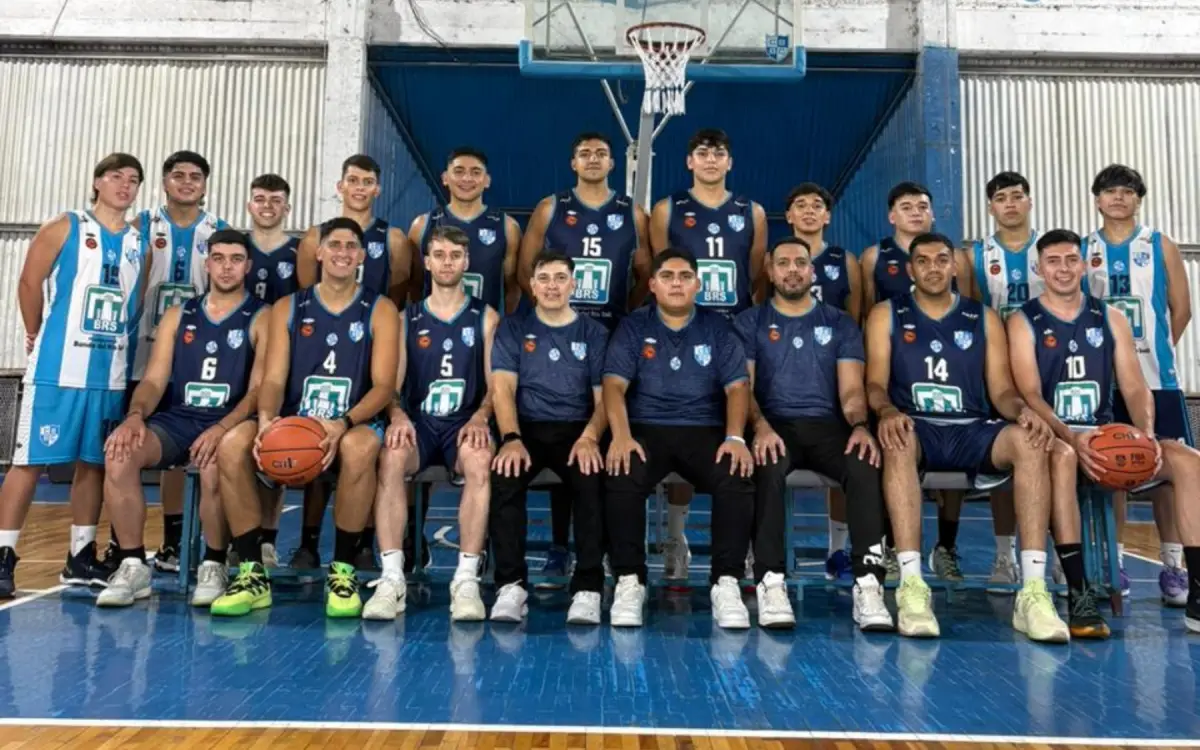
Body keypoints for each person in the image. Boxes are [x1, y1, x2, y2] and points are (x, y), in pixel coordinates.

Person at [864, 232, 1067, 642]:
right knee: (897, 440)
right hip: (916, 425)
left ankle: (1033, 591)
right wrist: (886, 411)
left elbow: (1002, 391)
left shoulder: (983, 317)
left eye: (942, 259)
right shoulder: (887, 314)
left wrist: (1024, 412)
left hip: (971, 427)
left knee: (1030, 441)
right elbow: (874, 384)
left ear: (955, 266)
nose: (933, 268)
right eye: (923, 261)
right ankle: (912, 587)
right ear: (910, 270)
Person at [210, 217, 398, 618]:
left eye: (351, 246)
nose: (343, 253)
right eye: (335, 245)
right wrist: (266, 420)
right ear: (319, 252)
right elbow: (274, 378)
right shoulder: (289, 307)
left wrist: (343, 423)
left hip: (352, 421)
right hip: (295, 420)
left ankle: (343, 572)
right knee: (231, 445)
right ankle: (251, 573)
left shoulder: (381, 309)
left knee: (360, 448)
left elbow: (384, 386)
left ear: (362, 256)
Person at [0, 153, 146, 598]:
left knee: (93, 464)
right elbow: (29, 283)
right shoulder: (66, 225)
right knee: (29, 462)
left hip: (109, 374)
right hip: (57, 369)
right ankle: (4, 553)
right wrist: (34, 332)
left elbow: (134, 306)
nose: (125, 185)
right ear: (97, 182)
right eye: (116, 176)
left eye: (133, 180)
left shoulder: (138, 242)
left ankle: (80, 556)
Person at [97, 230, 268, 608]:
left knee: (213, 462)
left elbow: (259, 391)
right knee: (119, 453)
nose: (226, 267)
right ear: (207, 264)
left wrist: (221, 429)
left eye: (236, 259)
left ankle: (214, 563)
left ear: (248, 266)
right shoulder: (179, 315)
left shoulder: (262, 316)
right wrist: (135, 416)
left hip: (231, 420)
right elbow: (154, 380)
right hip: (180, 419)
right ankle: (133, 564)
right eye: (218, 258)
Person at [736, 237, 890, 631]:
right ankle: (770, 581)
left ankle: (868, 583)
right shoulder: (750, 321)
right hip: (773, 424)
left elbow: (851, 391)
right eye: (783, 263)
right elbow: (743, 388)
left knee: (864, 461)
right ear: (770, 271)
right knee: (766, 465)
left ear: (812, 271)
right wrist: (760, 427)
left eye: (800, 263)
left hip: (827, 425)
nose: (792, 270)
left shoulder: (839, 322)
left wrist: (860, 426)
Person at [518, 132, 651, 584]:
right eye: (584, 153)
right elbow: (526, 269)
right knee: (566, 430)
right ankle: (560, 545)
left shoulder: (632, 212)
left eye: (601, 153)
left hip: (610, 337)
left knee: (606, 439)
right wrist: (553, 314)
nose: (593, 159)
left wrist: (623, 313)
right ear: (572, 162)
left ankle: (608, 546)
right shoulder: (551, 208)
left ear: (613, 162)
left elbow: (644, 273)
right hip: (558, 334)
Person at [603, 248, 756, 629]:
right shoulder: (633, 327)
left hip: (703, 427)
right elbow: (613, 386)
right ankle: (630, 580)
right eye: (667, 276)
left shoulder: (718, 327)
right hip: (646, 426)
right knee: (621, 469)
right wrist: (621, 436)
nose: (676, 283)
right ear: (652, 285)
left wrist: (735, 438)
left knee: (735, 472)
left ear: (698, 284)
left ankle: (726, 582)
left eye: (685, 276)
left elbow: (738, 387)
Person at [1007, 229, 1144, 638]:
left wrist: (1147, 435)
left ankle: (1193, 591)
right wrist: (1069, 437)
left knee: (1189, 463)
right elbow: (1030, 394)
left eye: (1071, 260)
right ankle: (1078, 589)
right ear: (1039, 269)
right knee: (1064, 459)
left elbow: (1134, 387)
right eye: (1053, 261)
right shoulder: (1023, 320)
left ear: (1084, 265)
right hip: (1053, 433)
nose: (1063, 269)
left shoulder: (1111, 317)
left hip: (1102, 433)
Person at [649, 129, 767, 583]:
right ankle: (676, 538)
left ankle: (748, 544)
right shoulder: (668, 209)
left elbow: (755, 277)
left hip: (734, 335)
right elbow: (661, 272)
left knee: (743, 432)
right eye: (703, 153)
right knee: (684, 426)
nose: (711, 159)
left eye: (719, 153)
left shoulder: (752, 211)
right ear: (689, 162)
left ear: (730, 162)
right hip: (681, 332)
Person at [363, 225, 497, 622]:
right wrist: (396, 414)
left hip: (463, 423)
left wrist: (481, 416)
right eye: (439, 255)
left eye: (455, 255)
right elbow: (391, 386)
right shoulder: (407, 318)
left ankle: (466, 579)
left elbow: (497, 387)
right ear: (427, 262)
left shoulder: (486, 317)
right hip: (419, 422)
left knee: (480, 460)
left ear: (467, 261)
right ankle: (392, 577)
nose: (447, 262)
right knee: (391, 456)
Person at [293, 154, 412, 571]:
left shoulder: (393, 238)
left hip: (371, 346)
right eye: (353, 180)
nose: (360, 188)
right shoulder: (315, 236)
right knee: (313, 432)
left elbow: (400, 293)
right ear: (340, 186)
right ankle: (308, 542)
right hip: (322, 350)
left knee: (363, 449)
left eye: (368, 181)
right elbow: (308, 294)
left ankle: (360, 541)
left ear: (377, 189)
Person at [1083, 164, 1193, 605]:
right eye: (1110, 191)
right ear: (1097, 200)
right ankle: (1116, 562)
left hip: (1157, 379)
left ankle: (1174, 566)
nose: (1118, 197)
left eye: (1127, 191)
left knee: (1168, 474)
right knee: (1114, 467)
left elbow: (1181, 309)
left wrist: (1153, 352)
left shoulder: (1159, 244)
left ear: (1138, 199)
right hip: (1104, 382)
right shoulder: (1084, 249)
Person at [484, 251, 611, 623]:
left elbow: (605, 399)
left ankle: (588, 587)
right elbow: (503, 389)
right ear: (532, 286)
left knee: (591, 477)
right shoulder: (513, 328)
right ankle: (511, 586)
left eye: (560, 278)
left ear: (574, 284)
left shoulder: (594, 333)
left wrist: (590, 437)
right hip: (527, 427)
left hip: (578, 428)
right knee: (505, 475)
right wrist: (511, 437)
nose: (552, 286)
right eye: (544, 278)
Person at [860, 181, 967, 581]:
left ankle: (946, 546)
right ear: (892, 216)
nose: (916, 212)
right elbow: (865, 311)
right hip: (896, 370)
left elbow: (969, 309)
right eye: (906, 207)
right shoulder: (875, 256)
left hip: (949, 370)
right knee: (894, 450)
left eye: (923, 206)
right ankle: (893, 545)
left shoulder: (955, 257)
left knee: (958, 439)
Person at [131, 150, 230, 574]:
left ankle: (180, 540)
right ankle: (129, 542)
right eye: (178, 175)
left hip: (193, 359)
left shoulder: (218, 231)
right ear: (164, 182)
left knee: (181, 448)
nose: (187, 182)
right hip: (140, 354)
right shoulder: (141, 226)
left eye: (195, 176)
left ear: (205, 184)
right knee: (131, 446)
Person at [955, 170, 1040, 592]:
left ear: (1029, 202)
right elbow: (970, 314)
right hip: (998, 376)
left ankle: (1055, 556)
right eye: (1001, 197)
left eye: (1017, 196)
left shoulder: (1053, 248)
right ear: (990, 207)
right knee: (1004, 468)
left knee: (1056, 461)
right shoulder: (975, 255)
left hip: (1048, 370)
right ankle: (1005, 555)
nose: (1010, 203)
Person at [782, 182, 863, 582]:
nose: (810, 210)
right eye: (801, 205)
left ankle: (837, 549)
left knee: (842, 452)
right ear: (789, 216)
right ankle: (763, 549)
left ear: (828, 216)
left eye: (817, 205)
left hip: (833, 369)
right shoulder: (778, 258)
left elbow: (855, 315)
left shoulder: (844, 260)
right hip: (786, 371)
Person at [244, 172, 300, 565]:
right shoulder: (233, 247)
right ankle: (233, 538)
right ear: (250, 204)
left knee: (276, 447)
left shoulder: (298, 252)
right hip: (236, 359)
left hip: (283, 362)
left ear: (287, 207)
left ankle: (268, 536)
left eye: (275, 200)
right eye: (261, 199)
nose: (268, 206)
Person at [412, 147, 521, 315]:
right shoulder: (422, 225)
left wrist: (503, 325)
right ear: (445, 178)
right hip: (432, 328)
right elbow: (414, 286)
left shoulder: (507, 227)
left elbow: (512, 288)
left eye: (476, 172)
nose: (467, 178)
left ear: (487, 181)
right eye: (459, 171)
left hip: (485, 328)